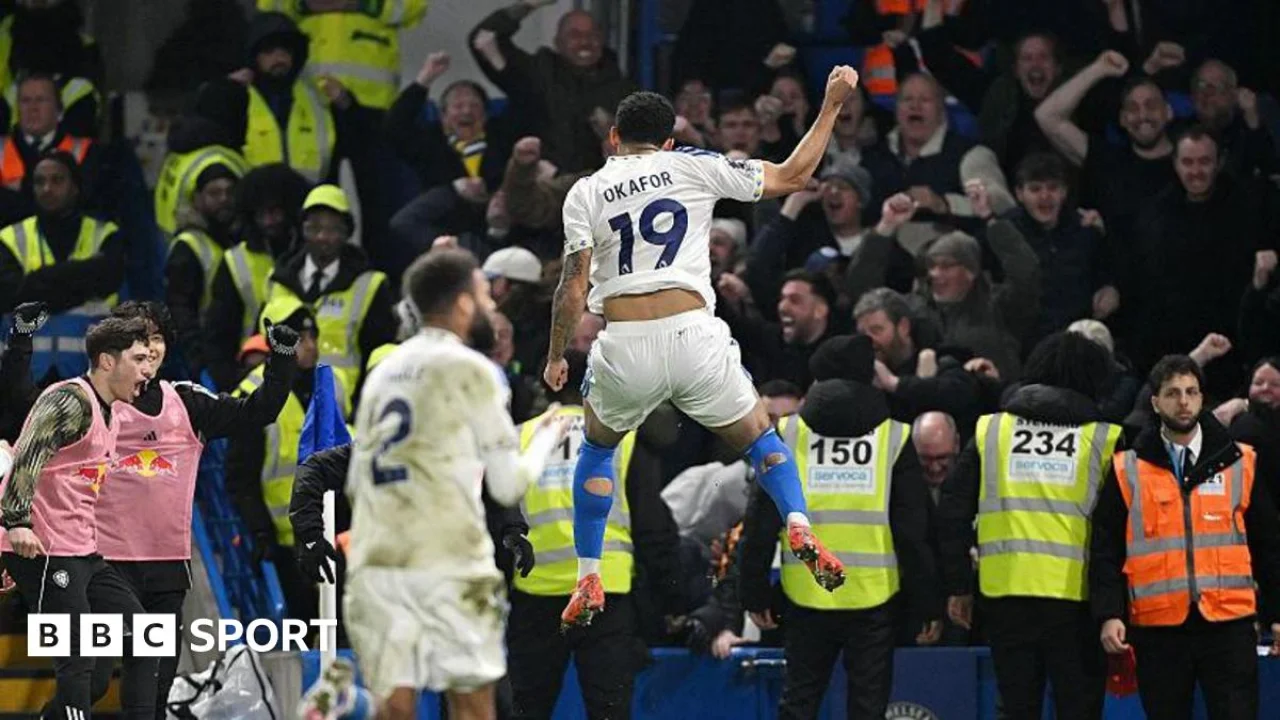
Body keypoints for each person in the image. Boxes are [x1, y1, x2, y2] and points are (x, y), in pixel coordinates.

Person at [543, 66, 863, 628]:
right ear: (668, 141)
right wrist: (832, 103)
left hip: (625, 341)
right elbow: (791, 176)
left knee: (596, 450)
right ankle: (799, 526)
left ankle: (588, 572)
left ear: (614, 139)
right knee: (762, 440)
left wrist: (554, 355)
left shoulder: (586, 191)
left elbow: (573, 283)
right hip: (694, 334)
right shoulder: (694, 164)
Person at [344, 249, 570, 720]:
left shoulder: (382, 372)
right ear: (465, 304)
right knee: (471, 705)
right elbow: (508, 486)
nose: (491, 308)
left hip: (377, 559)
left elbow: (354, 481)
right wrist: (545, 438)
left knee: (394, 708)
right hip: (446, 558)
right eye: (485, 297)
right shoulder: (473, 369)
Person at [85, 301, 296, 718]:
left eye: (157, 337)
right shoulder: (88, 400)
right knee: (92, 681)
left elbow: (258, 412)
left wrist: (283, 360)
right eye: (139, 338)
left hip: (167, 568)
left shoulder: (186, 402)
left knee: (156, 686)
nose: (150, 347)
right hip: (105, 566)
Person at [740, 334, 940, 720]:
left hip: (806, 592)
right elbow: (912, 533)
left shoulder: (788, 434)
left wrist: (753, 592)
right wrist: (927, 603)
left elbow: (761, 521)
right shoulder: (893, 437)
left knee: (799, 703)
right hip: (873, 598)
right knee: (868, 707)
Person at [938, 332, 1124, 720]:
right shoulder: (1104, 439)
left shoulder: (992, 431)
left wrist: (959, 585)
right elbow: (1116, 533)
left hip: (1006, 596)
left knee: (1016, 708)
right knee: (1080, 709)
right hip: (1077, 600)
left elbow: (952, 510)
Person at [1090, 354, 1280, 719]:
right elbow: (1105, 549)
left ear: (1202, 399)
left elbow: (1269, 545)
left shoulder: (1239, 461)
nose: (1184, 401)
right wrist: (1109, 613)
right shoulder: (1128, 468)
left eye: (1191, 392)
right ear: (1155, 402)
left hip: (1229, 624)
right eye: (1173, 392)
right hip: (1160, 630)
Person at [0, 316, 157, 719]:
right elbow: (26, 457)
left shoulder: (114, 413)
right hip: (42, 547)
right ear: (107, 361)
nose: (148, 368)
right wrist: (16, 524)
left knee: (137, 636)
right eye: (138, 358)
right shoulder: (69, 401)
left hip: (81, 551)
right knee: (78, 657)